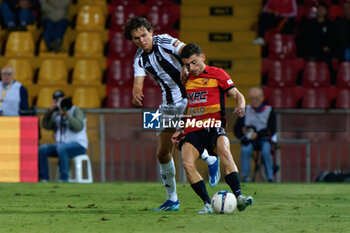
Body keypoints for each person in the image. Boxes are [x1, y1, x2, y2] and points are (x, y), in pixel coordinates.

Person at [124, 16, 220, 211]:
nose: (142, 40)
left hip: (188, 101)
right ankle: (173, 199)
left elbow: (190, 53)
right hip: (167, 106)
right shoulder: (138, 58)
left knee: (182, 143)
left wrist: (187, 68)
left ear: (151, 31)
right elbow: (138, 82)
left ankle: (209, 166)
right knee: (161, 154)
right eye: (136, 38)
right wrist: (136, 94)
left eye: (144, 35)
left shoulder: (166, 40)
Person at [172, 43, 253, 214]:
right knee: (187, 164)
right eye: (187, 65)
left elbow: (237, 94)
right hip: (193, 127)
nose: (191, 68)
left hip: (214, 125)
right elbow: (187, 106)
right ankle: (208, 204)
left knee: (225, 151)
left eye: (194, 62)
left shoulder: (218, 74)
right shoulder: (186, 80)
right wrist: (180, 127)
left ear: (203, 57)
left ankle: (239, 197)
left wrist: (241, 105)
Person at [38, 90, 88, 182]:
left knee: (62, 148)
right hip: (61, 146)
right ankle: (44, 179)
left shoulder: (75, 110)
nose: (60, 103)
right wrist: (50, 111)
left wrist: (67, 115)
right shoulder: (56, 113)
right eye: (57, 101)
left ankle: (64, 179)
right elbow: (46, 126)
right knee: (42, 149)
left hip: (78, 145)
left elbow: (79, 127)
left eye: (62, 100)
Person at [234, 87, 276, 182]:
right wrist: (242, 133)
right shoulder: (245, 110)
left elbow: (272, 129)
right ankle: (246, 178)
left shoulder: (269, 110)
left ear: (262, 98)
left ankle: (270, 177)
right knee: (245, 150)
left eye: (256, 98)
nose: (254, 101)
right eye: (252, 98)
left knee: (266, 151)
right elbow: (236, 129)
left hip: (263, 139)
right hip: (249, 140)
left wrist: (258, 135)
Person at [297, 2, 335, 80]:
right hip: (311, 49)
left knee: (328, 57)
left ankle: (332, 81)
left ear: (326, 12)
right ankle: (300, 81)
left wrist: (328, 47)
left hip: (323, 51)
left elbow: (332, 39)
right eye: (319, 9)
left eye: (323, 9)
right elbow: (304, 38)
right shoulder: (310, 23)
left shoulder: (329, 25)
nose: (320, 10)